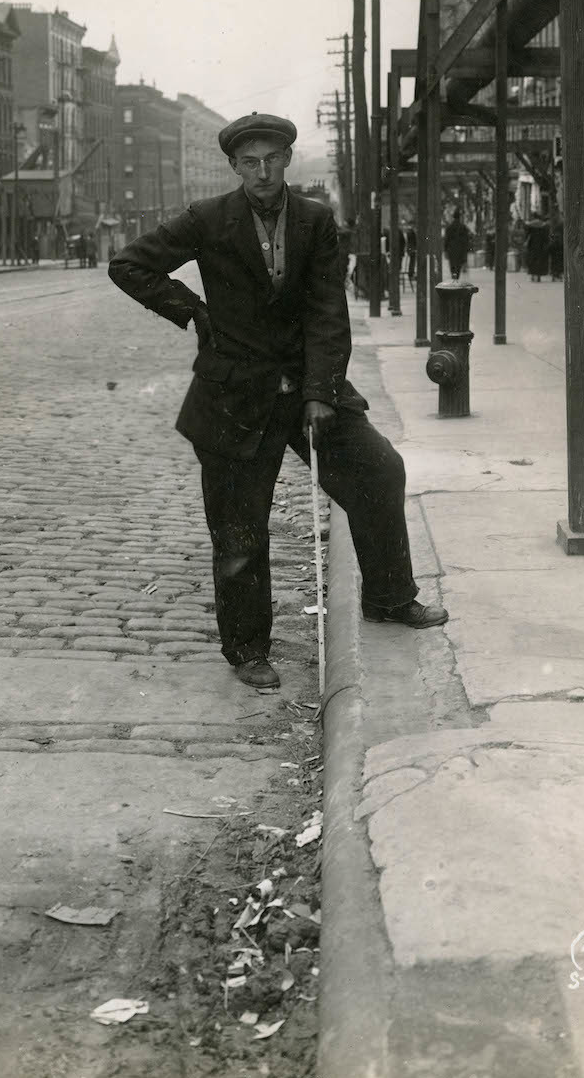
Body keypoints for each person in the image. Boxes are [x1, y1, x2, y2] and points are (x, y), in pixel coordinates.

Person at [109, 111, 447, 692]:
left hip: (306, 385)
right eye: (249, 163)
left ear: (288, 159)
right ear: (235, 167)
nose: (262, 172)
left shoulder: (316, 221)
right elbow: (129, 264)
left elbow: (327, 312)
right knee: (239, 531)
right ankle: (247, 650)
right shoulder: (208, 219)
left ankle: (390, 598)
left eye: (271, 160)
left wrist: (320, 393)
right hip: (232, 396)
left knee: (378, 469)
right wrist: (192, 310)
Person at [442, 209, 471, 281]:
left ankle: (453, 276)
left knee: (452, 264)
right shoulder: (463, 227)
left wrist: (445, 250)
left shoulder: (449, 227)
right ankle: (456, 277)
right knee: (458, 265)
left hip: (451, 249)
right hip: (461, 249)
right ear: (459, 217)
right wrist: (467, 249)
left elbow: (447, 239)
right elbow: (466, 240)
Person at [524, 217, 549, 282]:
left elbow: (527, 238)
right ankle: (538, 276)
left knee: (532, 262)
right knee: (539, 262)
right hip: (540, 249)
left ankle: (532, 275)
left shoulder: (531, 231)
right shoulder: (542, 230)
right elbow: (546, 239)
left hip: (532, 248)